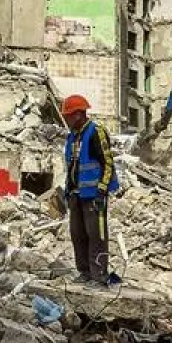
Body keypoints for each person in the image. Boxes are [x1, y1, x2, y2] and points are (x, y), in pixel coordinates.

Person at [61, 94, 120, 285]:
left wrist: (102, 190)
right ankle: (85, 272)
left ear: (78, 114)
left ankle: (99, 275)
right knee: (78, 234)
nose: (66, 119)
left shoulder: (96, 132)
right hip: (76, 195)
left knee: (97, 236)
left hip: (94, 195)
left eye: (68, 115)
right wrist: (68, 190)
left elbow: (108, 164)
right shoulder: (72, 137)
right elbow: (72, 166)